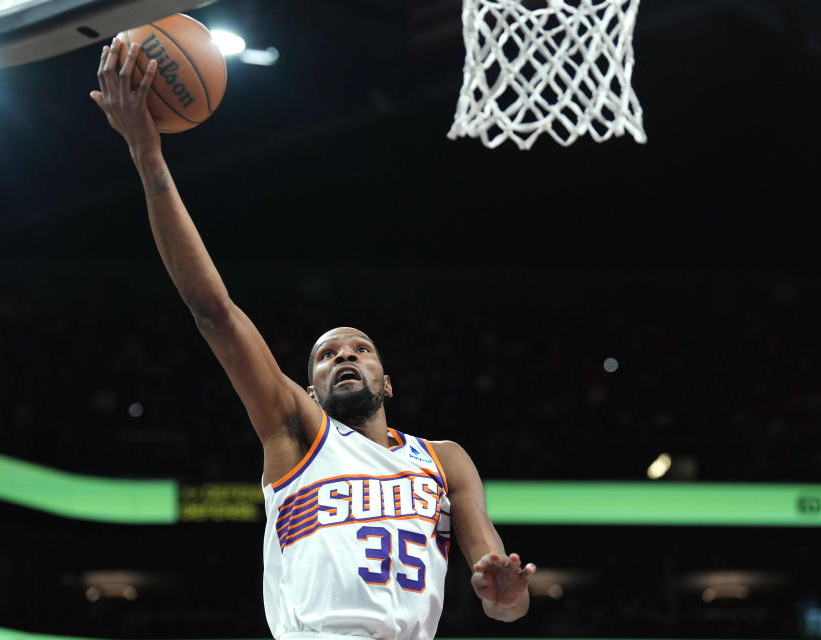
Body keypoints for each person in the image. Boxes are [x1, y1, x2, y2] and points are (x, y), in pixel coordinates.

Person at [90, 37, 536, 640]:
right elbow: (213, 311)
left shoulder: (444, 460)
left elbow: (501, 600)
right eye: (326, 355)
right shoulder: (296, 432)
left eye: (360, 349)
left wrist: (505, 595)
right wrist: (148, 157)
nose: (345, 356)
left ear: (387, 380)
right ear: (310, 387)